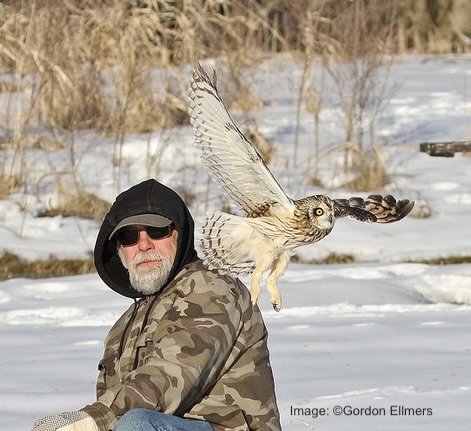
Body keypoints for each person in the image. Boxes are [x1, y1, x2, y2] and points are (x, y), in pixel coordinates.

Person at [32, 179, 281, 431]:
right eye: (129, 236)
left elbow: (170, 374)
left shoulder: (212, 288)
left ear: (180, 235)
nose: (143, 244)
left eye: (157, 231)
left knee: (136, 424)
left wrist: (90, 421)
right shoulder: (125, 325)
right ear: (119, 249)